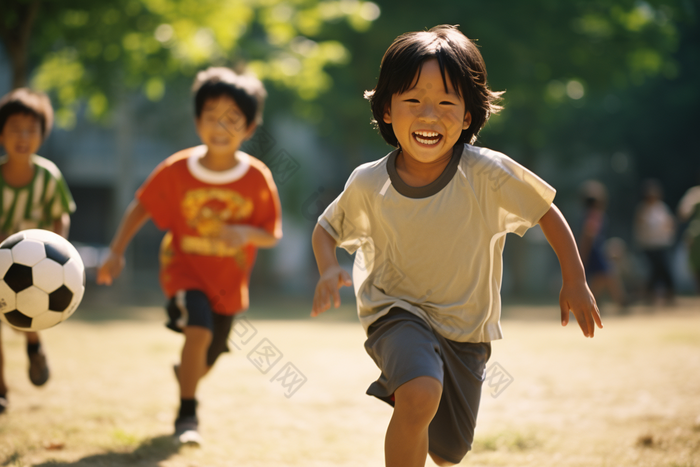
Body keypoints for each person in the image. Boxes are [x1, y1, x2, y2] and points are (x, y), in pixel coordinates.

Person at [310, 25, 602, 467]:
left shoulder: (486, 173)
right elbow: (327, 228)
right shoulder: (370, 181)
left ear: (468, 116)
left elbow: (545, 210)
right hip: (395, 311)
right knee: (420, 394)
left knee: (450, 451)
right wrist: (328, 267)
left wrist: (575, 278)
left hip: (466, 329)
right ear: (387, 110)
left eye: (446, 103)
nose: (429, 115)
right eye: (413, 101)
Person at [97, 67, 282, 445]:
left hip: (228, 286)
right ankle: (187, 415)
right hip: (183, 271)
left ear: (249, 128)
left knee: (209, 354)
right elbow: (141, 206)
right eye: (211, 117)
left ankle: (187, 374)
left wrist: (244, 233)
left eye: (232, 120)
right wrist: (116, 251)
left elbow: (271, 234)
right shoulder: (178, 169)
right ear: (197, 120)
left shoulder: (257, 178)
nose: (220, 127)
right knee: (197, 329)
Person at [0, 88, 76, 415]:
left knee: (30, 307)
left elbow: (62, 214)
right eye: (15, 128)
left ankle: (33, 345)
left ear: (42, 136)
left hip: (38, 265)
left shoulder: (48, 176)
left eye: (31, 129)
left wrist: (56, 251)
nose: (23, 136)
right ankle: (1, 388)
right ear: (1, 133)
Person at [577, 180, 626, 310]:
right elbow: (588, 236)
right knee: (606, 275)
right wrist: (582, 256)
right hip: (594, 251)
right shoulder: (594, 216)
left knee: (603, 278)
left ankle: (595, 302)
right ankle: (619, 301)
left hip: (597, 250)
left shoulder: (591, 215)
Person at [634, 179, 676, 304]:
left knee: (663, 269)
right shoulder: (642, 210)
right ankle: (650, 294)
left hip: (662, 244)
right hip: (649, 246)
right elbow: (641, 228)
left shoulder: (662, 208)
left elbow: (670, 224)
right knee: (656, 269)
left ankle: (666, 294)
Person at [677, 184, 700, 292]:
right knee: (695, 265)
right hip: (696, 235)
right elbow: (683, 213)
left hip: (695, 234)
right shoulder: (695, 193)